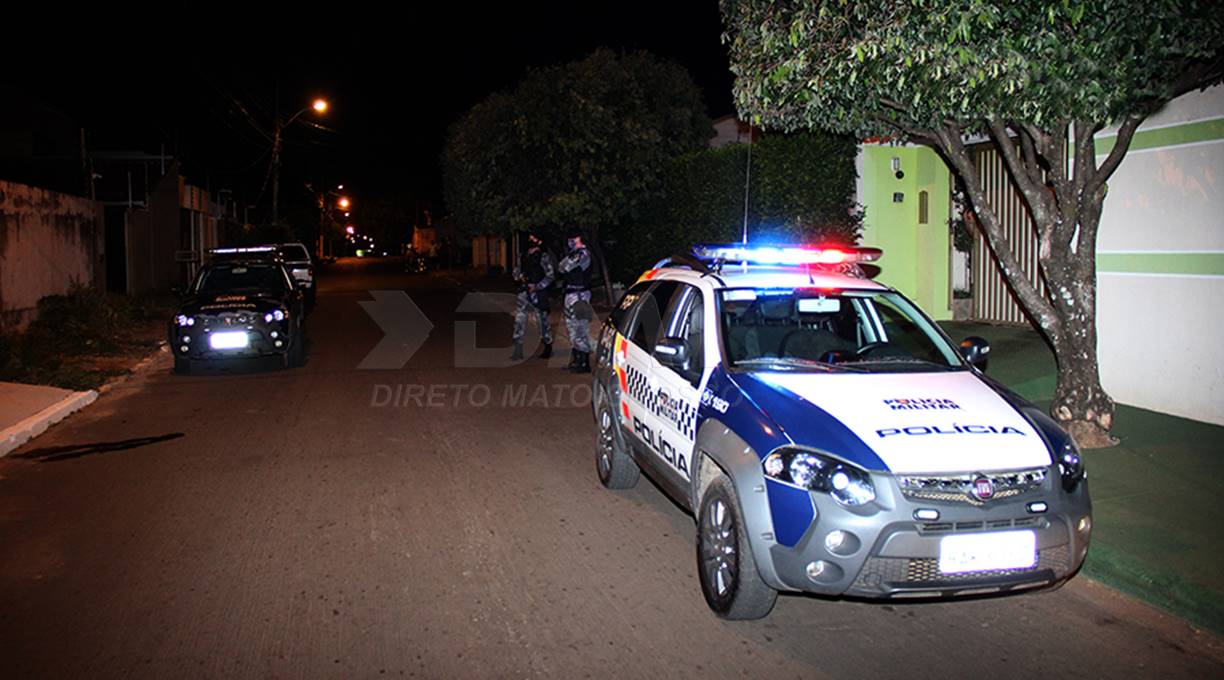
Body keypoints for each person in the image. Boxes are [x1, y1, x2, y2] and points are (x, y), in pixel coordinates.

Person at [511, 232, 556, 360]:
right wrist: (519, 277)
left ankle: (548, 345)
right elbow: (516, 272)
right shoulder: (523, 256)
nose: (531, 240)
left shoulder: (543, 256)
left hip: (538, 292)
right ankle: (518, 348)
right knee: (519, 319)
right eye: (530, 237)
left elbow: (550, 275)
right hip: (524, 291)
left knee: (542, 319)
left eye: (534, 238)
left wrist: (538, 286)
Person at [557, 230, 593, 373]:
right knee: (572, 330)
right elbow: (561, 268)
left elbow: (564, 267)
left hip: (580, 296)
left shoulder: (583, 255)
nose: (571, 241)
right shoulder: (573, 254)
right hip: (571, 294)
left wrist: (569, 258)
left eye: (575, 239)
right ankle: (577, 361)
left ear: (581, 240)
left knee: (580, 329)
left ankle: (584, 364)